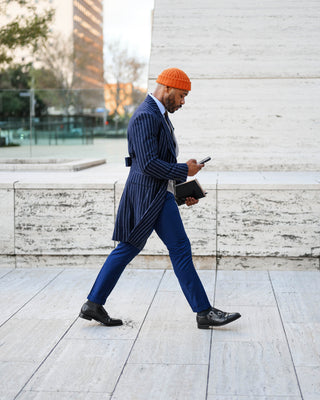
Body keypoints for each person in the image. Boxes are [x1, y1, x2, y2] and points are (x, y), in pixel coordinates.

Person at [79, 68, 241, 329]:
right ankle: (203, 312)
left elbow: (157, 163)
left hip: (154, 194)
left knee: (129, 247)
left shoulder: (159, 115)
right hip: (148, 196)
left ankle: (94, 304)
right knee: (178, 249)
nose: (183, 101)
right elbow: (148, 164)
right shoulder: (146, 116)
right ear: (167, 88)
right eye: (181, 95)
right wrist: (183, 169)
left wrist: (180, 191)